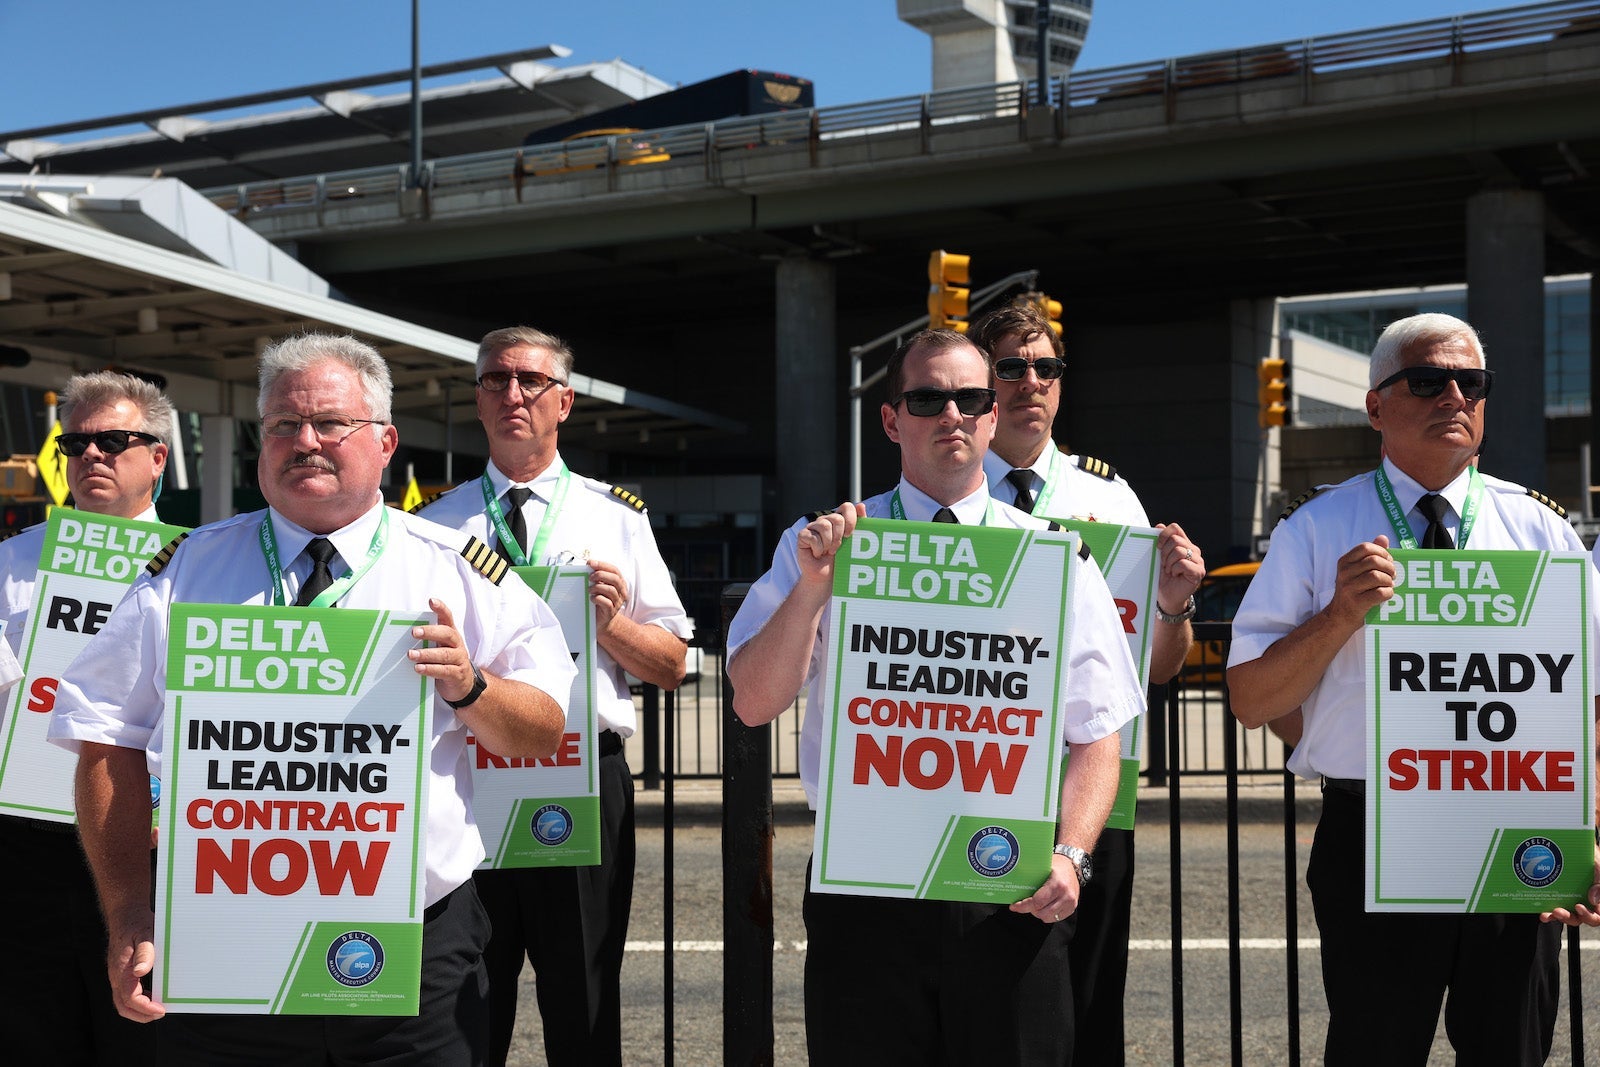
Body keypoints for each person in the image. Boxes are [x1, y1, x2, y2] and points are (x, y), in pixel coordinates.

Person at [47, 333, 576, 1065]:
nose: (306, 442)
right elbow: (105, 738)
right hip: (223, 952)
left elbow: (543, 730)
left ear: (385, 441)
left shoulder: (454, 569)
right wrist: (130, 911)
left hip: (413, 958)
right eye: (284, 426)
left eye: (332, 423)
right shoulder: (186, 571)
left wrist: (469, 686)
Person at [726, 328, 1145, 1062]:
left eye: (970, 398)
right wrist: (815, 590)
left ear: (991, 416)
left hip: (1005, 888)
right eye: (927, 398)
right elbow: (754, 700)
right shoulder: (825, 544)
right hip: (864, 894)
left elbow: (1099, 734)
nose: (950, 414)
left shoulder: (1052, 557)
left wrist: (1072, 855)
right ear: (893, 420)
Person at [1227, 312, 1600, 1066]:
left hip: (1513, 824)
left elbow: (1587, 700)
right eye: (1429, 380)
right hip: (1372, 831)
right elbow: (1252, 699)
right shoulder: (1316, 530)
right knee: (1374, 1047)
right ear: (1375, 406)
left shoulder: (1540, 531)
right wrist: (1340, 614)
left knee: (1512, 1048)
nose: (1454, 396)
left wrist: (1589, 823)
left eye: (1472, 382)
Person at [417, 326, 690, 1066]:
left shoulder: (615, 515)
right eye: (495, 380)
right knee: (466, 998)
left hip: (580, 774)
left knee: (585, 998)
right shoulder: (433, 526)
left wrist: (615, 624)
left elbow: (673, 664)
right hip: (466, 774)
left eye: (531, 381)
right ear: (477, 399)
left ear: (564, 401)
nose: (512, 394)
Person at [968, 300, 1205, 1065]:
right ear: (982, 380)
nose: (1031, 382)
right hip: (974, 783)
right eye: (1012, 366)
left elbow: (1159, 669)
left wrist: (1172, 603)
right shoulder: (943, 497)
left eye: (1048, 368)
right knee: (982, 1003)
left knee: (1090, 1002)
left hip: (1092, 791)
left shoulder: (1112, 502)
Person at [0, 370, 171, 1065]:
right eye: (77, 442)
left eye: (114, 440)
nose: (92, 455)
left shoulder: (204, 564)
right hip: (29, 844)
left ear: (158, 455)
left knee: (145, 1037)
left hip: (154, 841)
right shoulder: (12, 561)